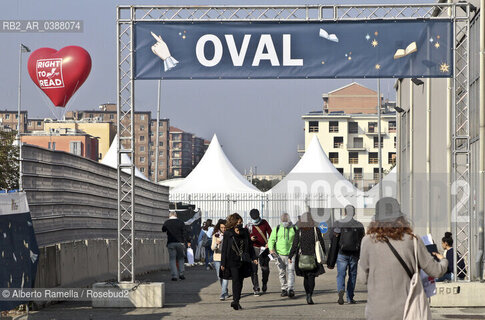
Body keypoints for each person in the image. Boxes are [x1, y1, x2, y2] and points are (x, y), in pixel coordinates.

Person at [359, 197, 448, 320]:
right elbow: (436, 271)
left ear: (376, 220)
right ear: (400, 218)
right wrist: (444, 260)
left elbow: (362, 279)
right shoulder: (412, 240)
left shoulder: (367, 241)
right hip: (407, 310)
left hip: (376, 312)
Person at [327, 205, 365, 305]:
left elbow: (332, 237)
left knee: (341, 274)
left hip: (342, 253)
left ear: (345, 213)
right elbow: (362, 240)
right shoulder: (359, 225)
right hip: (354, 254)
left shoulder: (338, 223)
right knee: (352, 275)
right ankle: (350, 298)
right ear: (354, 213)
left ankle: (341, 289)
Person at [220, 213, 257, 310]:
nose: (240, 224)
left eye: (241, 222)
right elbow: (224, 249)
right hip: (232, 261)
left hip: (243, 260)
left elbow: (249, 246)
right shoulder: (228, 233)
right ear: (234, 222)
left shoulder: (245, 232)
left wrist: (254, 257)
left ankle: (237, 300)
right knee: (236, 280)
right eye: (238, 222)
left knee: (240, 281)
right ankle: (235, 301)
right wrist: (223, 263)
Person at [289, 212, 326, 305]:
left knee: (305, 277)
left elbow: (295, 244)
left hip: (302, 257)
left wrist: (291, 255)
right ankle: (310, 295)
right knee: (312, 277)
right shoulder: (316, 230)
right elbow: (321, 243)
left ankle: (307, 294)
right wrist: (324, 254)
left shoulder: (299, 231)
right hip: (313, 257)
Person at [268, 212, 297, 298]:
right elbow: (271, 240)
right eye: (283, 221)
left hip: (291, 255)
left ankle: (290, 289)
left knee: (291, 271)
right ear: (281, 220)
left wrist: (296, 250)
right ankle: (284, 288)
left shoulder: (294, 228)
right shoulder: (277, 228)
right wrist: (271, 249)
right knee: (282, 272)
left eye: (286, 221)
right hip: (279, 255)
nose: (285, 222)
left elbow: (297, 241)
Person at [246, 208, 272, 295]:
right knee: (254, 270)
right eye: (254, 217)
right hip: (253, 249)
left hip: (264, 249)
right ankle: (256, 287)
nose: (256, 219)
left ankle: (264, 283)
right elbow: (245, 237)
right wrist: (250, 238)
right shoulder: (248, 225)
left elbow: (271, 233)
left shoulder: (264, 223)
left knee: (265, 269)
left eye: (257, 217)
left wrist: (269, 242)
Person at [162, 211, 191, 281]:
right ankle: (181, 274)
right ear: (176, 215)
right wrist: (188, 241)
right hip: (180, 243)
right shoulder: (181, 222)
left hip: (171, 243)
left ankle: (174, 276)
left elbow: (163, 230)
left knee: (172, 259)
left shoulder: (167, 222)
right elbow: (185, 232)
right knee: (181, 258)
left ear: (169, 216)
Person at [211, 219, 230, 300]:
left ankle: (222, 293)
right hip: (217, 257)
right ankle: (225, 290)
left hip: (226, 258)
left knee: (225, 275)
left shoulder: (229, 235)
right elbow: (212, 248)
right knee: (219, 276)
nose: (223, 229)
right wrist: (216, 244)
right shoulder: (216, 235)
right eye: (222, 227)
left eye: (225, 227)